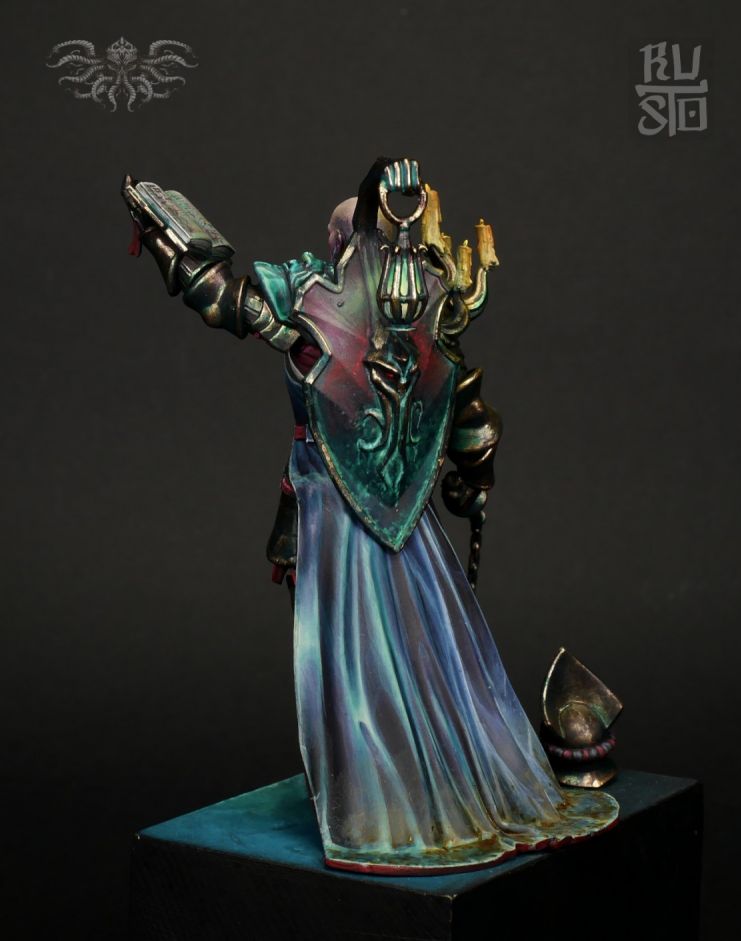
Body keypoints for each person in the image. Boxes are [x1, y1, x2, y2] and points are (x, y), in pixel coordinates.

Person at [122, 157, 618, 874]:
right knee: (429, 660)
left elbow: (225, 297)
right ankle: (408, 787)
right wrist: (473, 480)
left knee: (359, 664)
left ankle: (381, 805)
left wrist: (173, 243)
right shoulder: (414, 312)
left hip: (347, 512)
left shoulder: (319, 304)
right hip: (380, 512)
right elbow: (471, 419)